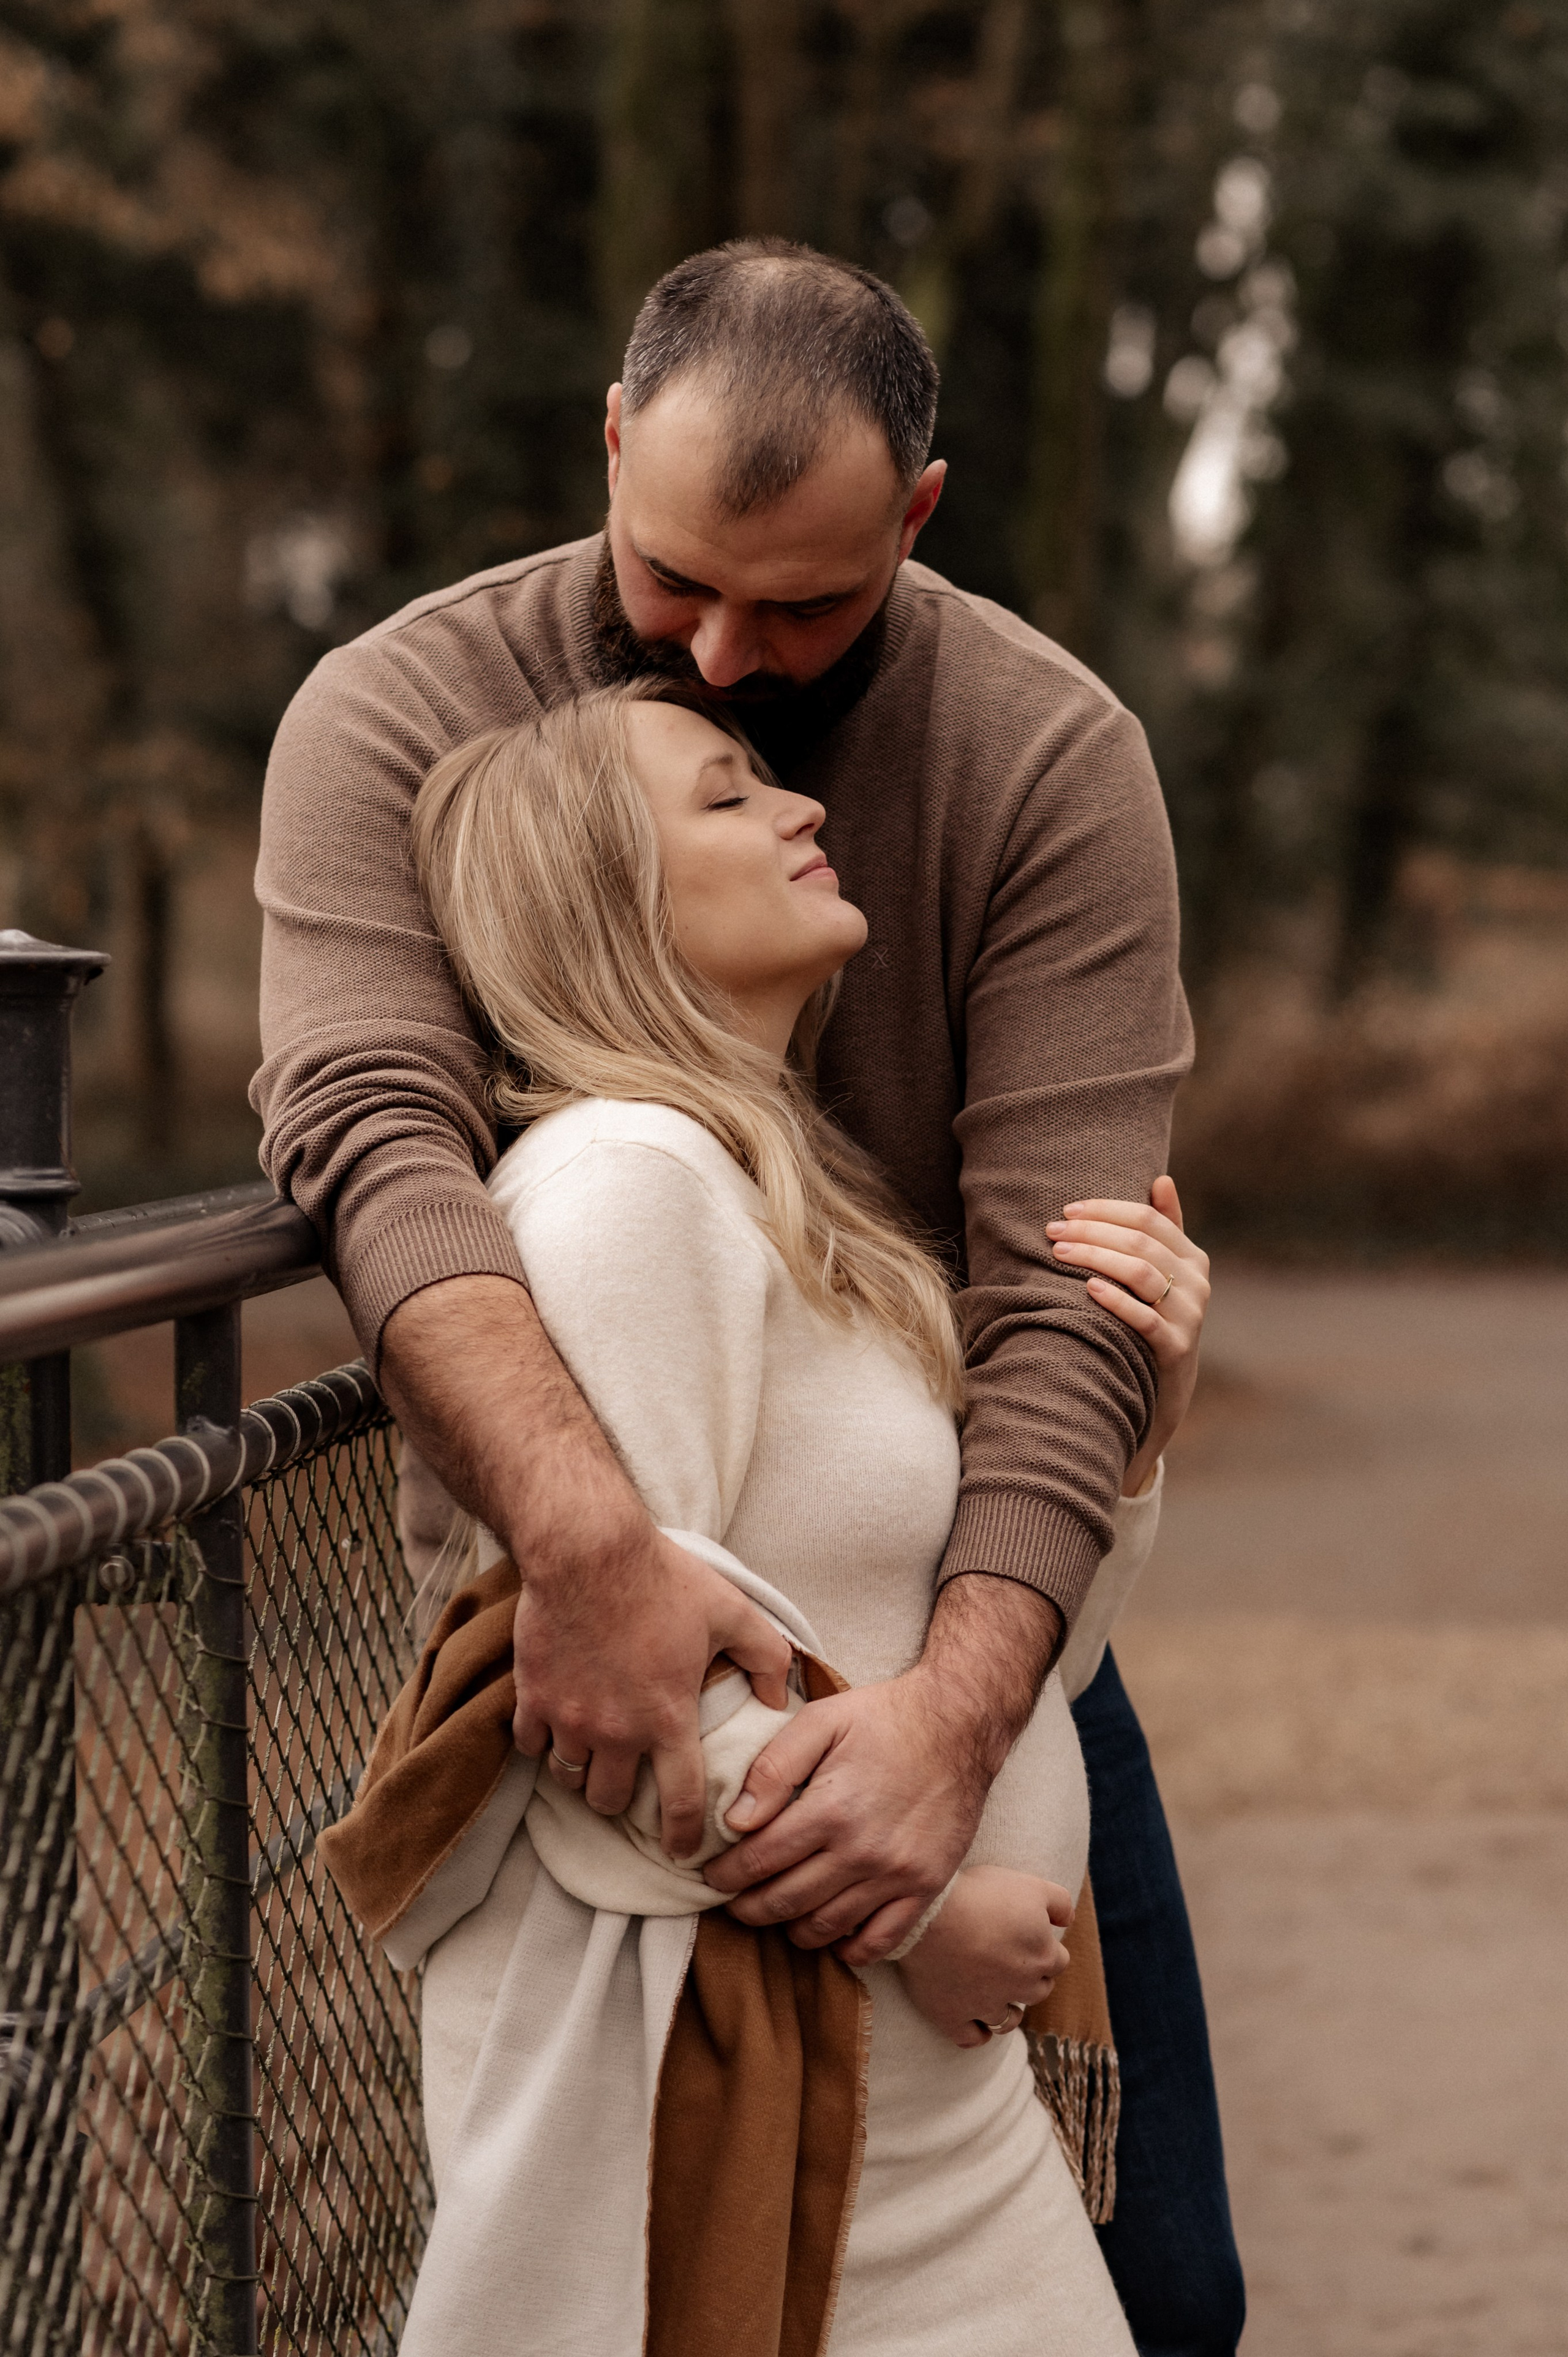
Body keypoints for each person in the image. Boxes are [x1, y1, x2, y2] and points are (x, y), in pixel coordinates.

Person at [254, 238, 1244, 2351]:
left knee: (1169, 2278)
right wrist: (588, 1543)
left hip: (965, 1618)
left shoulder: (1045, 757)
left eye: (803, 608)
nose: (719, 659)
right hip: (617, 1702)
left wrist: (957, 1730)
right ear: (613, 443)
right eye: (675, 578)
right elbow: (369, 1129)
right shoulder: (402, 713)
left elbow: (1058, 1281)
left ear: (921, 515)